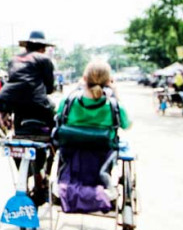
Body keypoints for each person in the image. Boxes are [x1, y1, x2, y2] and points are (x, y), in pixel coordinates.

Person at [53, 59, 131, 213]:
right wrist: (116, 95)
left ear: (84, 78)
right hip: (102, 162)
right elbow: (127, 125)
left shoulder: (68, 101)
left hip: (70, 160)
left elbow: (57, 118)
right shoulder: (114, 106)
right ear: (109, 81)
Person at [0, 30, 57, 131]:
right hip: (38, 103)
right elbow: (49, 88)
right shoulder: (44, 59)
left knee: (17, 129)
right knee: (55, 126)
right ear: (42, 48)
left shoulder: (14, 59)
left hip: (15, 103)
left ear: (27, 46)